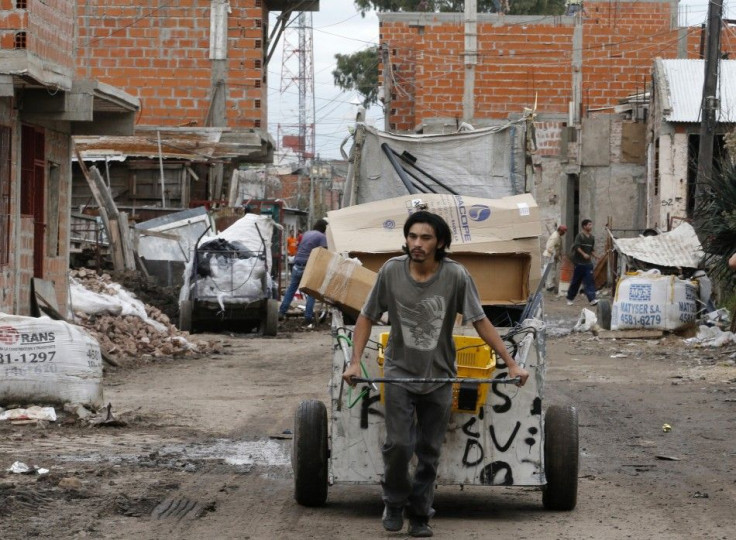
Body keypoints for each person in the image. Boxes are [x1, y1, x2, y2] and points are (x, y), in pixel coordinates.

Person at [342, 211, 529, 538]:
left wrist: (510, 362)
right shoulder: (391, 271)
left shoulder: (456, 276)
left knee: (429, 452)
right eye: (412, 236)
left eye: (425, 237)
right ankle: (395, 501)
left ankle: (420, 515)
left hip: (441, 376)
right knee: (399, 445)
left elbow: (480, 320)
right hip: (399, 373)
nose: (417, 243)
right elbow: (367, 316)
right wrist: (355, 361)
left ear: (440, 242)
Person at [278, 219, 328, 326]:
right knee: (311, 292)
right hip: (307, 266)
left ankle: (281, 312)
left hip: (297, 265)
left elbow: (300, 246)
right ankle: (308, 317)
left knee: (291, 290)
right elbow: (324, 253)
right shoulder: (321, 237)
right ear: (324, 228)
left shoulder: (306, 234)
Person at [566, 218, 598, 306]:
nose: (591, 226)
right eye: (589, 225)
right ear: (584, 226)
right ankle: (570, 298)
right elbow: (577, 247)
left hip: (588, 264)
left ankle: (592, 299)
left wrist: (595, 255)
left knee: (589, 281)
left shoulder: (592, 238)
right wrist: (583, 254)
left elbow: (591, 249)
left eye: (591, 224)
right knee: (576, 282)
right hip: (579, 263)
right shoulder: (580, 236)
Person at [542, 224, 567, 292]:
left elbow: (559, 247)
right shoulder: (555, 236)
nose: (564, 233)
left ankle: (549, 285)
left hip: (552, 255)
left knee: (552, 270)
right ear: (560, 231)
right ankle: (549, 285)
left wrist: (560, 255)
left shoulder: (558, 236)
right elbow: (549, 247)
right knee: (549, 271)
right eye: (563, 232)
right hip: (549, 255)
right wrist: (555, 254)